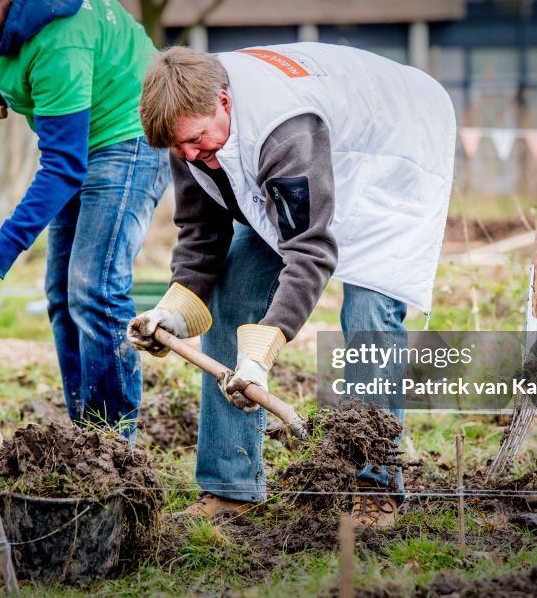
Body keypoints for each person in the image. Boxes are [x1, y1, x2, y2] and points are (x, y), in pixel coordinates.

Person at [127, 44, 455, 526]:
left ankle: (375, 484)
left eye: (197, 141)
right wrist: (172, 311)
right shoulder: (186, 131)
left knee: (368, 314)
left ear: (224, 103)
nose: (191, 156)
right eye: (180, 149)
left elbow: (310, 249)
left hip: (392, 154)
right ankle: (230, 487)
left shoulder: (284, 131)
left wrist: (261, 355)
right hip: (313, 156)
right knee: (232, 286)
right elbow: (203, 233)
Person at [0, 0, 169, 437]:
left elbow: (62, 166)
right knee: (61, 295)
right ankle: (83, 434)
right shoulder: (5, 15)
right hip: (84, 137)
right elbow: (13, 54)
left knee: (94, 290)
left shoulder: (60, 37)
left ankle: (112, 446)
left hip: (130, 133)